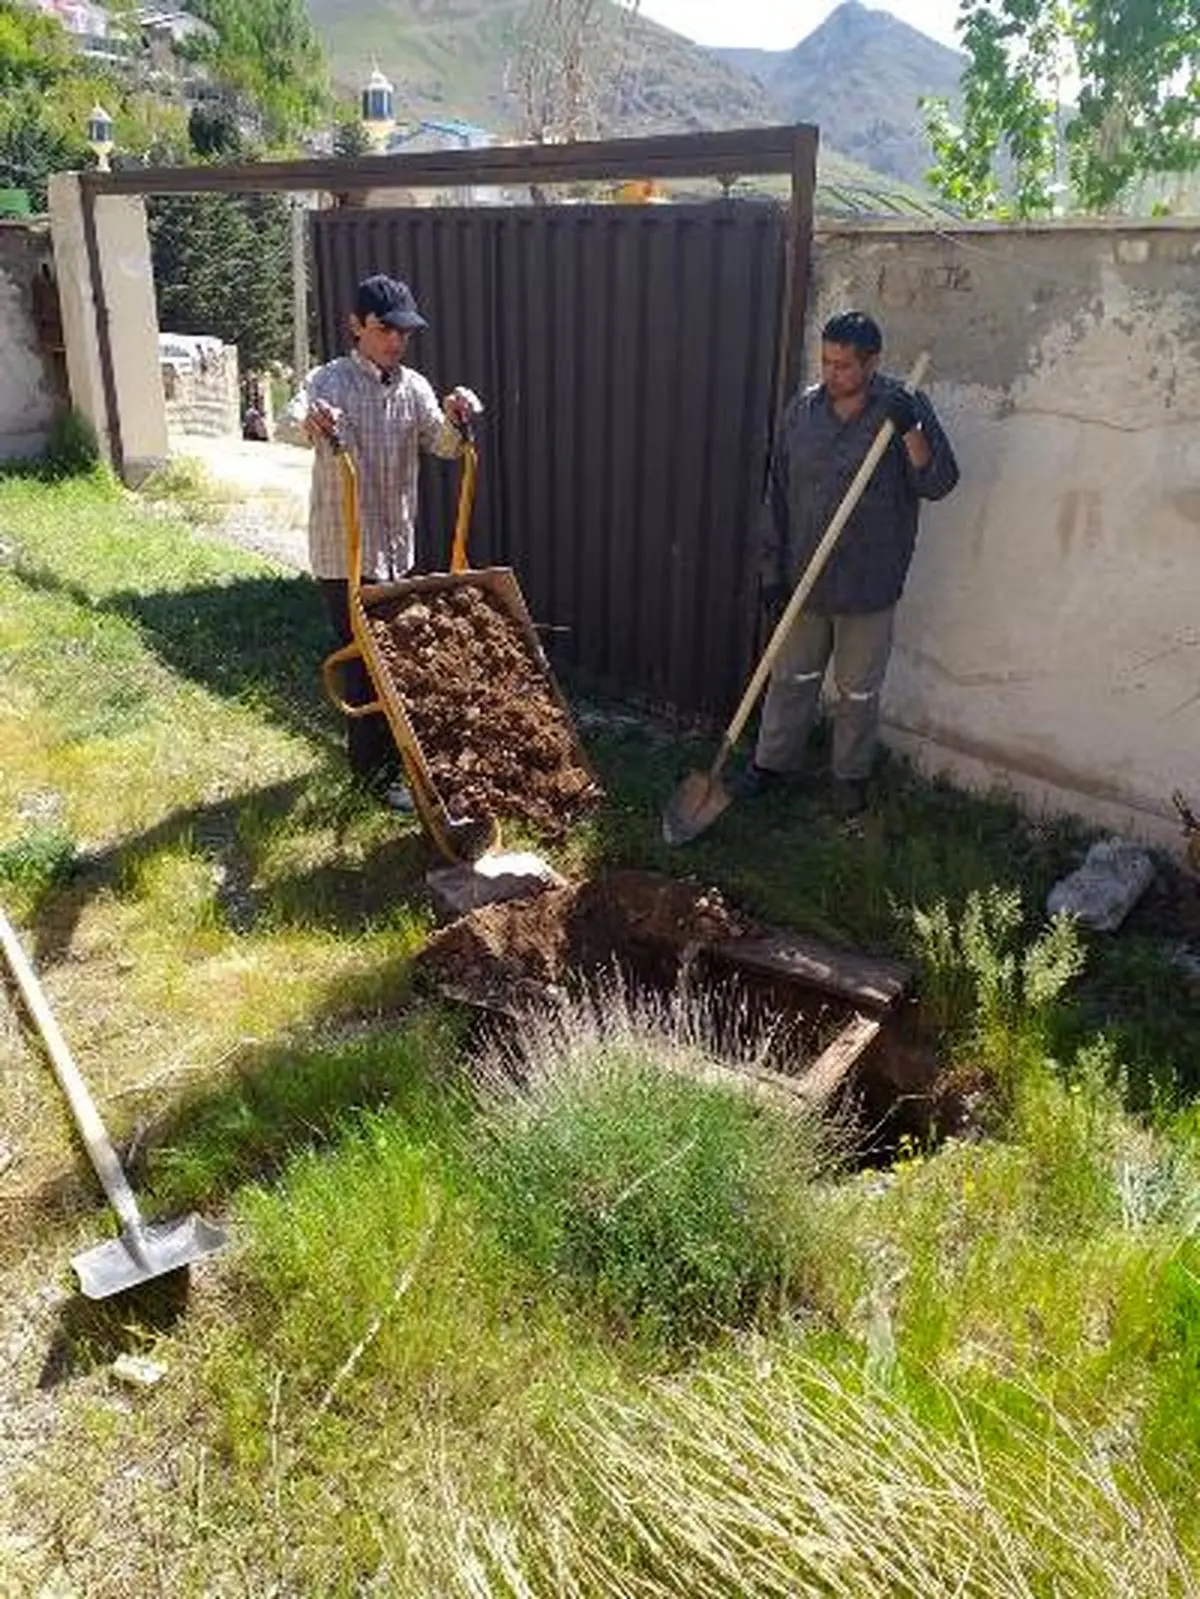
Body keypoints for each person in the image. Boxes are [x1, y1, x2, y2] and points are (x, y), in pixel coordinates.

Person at [740, 309, 959, 820]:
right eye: (826, 362)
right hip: (803, 580)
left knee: (858, 691)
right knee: (790, 679)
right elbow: (776, 493)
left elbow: (940, 483)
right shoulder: (803, 411)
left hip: (868, 583)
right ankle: (770, 765)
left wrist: (911, 432)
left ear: (872, 362)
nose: (831, 374)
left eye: (843, 365)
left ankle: (849, 778)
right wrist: (771, 572)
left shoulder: (903, 407)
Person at [290, 273, 481, 805]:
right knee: (362, 664)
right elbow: (287, 422)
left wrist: (455, 416)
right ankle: (371, 779)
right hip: (342, 549)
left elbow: (443, 446)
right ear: (356, 326)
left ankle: (394, 767)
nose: (395, 341)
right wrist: (312, 420)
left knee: (393, 661)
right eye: (384, 330)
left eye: (404, 332)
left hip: (396, 551)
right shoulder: (327, 382)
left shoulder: (413, 387)